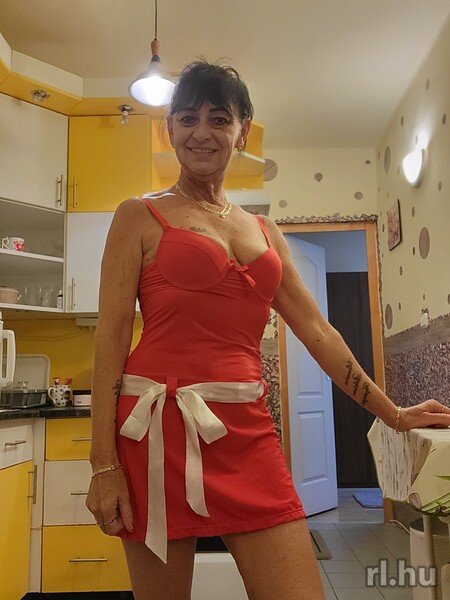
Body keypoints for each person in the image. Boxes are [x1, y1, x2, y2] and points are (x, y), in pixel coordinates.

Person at [86, 60, 450, 600]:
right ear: (170, 130)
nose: (201, 132)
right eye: (187, 118)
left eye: (219, 119)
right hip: (156, 432)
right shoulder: (137, 215)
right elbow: (111, 339)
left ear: (242, 132)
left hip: (246, 433)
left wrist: (392, 414)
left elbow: (318, 331)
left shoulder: (263, 230)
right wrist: (103, 465)